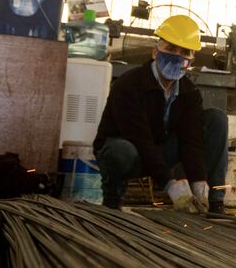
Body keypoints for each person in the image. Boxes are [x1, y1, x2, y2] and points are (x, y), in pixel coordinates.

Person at [94, 14, 228, 214]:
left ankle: (214, 202)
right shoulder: (128, 85)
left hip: (161, 151)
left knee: (216, 119)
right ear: (155, 51)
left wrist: (199, 184)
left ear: (191, 59)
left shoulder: (189, 92)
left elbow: (191, 142)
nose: (177, 56)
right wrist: (170, 184)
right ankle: (112, 201)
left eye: (184, 52)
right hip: (131, 152)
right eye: (171, 49)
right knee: (121, 150)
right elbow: (140, 139)